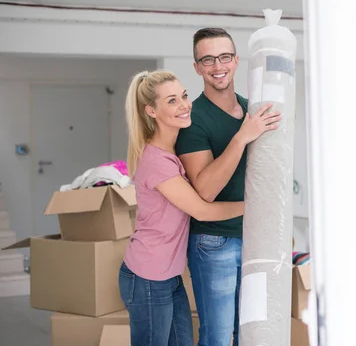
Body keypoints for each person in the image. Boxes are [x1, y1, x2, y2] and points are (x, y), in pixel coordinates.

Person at [120, 69, 245, 346]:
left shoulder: (171, 153)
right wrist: (254, 205)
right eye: (172, 101)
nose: (185, 105)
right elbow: (203, 211)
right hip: (148, 278)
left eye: (185, 96)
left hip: (168, 277)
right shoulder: (157, 162)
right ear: (151, 111)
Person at [176, 28, 281, 346]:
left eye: (223, 56)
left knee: (250, 333)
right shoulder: (193, 119)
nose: (217, 65)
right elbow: (205, 189)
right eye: (207, 59)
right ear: (197, 67)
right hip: (214, 241)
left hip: (256, 238)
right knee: (218, 337)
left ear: (236, 61)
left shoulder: (254, 110)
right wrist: (243, 136)